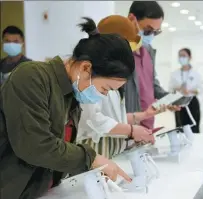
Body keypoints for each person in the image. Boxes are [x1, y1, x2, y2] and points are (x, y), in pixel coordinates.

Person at [0, 17, 134, 199]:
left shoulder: (72, 97)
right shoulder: (32, 77)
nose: (102, 96)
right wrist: (91, 158)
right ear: (86, 67)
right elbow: (36, 146)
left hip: (43, 190)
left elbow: (60, 148)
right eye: (105, 89)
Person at [78, 15, 164, 158]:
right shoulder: (90, 76)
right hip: (93, 155)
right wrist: (130, 130)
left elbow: (114, 117)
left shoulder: (112, 79)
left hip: (112, 155)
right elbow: (92, 119)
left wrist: (143, 116)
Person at [125, 1, 180, 130]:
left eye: (156, 32)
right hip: (128, 125)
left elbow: (152, 85)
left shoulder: (148, 51)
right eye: (148, 30)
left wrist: (169, 99)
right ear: (132, 19)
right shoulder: (120, 51)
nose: (151, 36)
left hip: (148, 123)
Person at [169, 48, 203, 133]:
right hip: (179, 102)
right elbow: (170, 89)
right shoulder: (175, 74)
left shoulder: (196, 74)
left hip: (192, 102)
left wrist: (190, 91)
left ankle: (195, 145)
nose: (181, 58)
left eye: (184, 56)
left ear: (190, 57)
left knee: (194, 127)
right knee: (180, 127)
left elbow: (201, 89)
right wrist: (178, 88)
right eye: (180, 56)